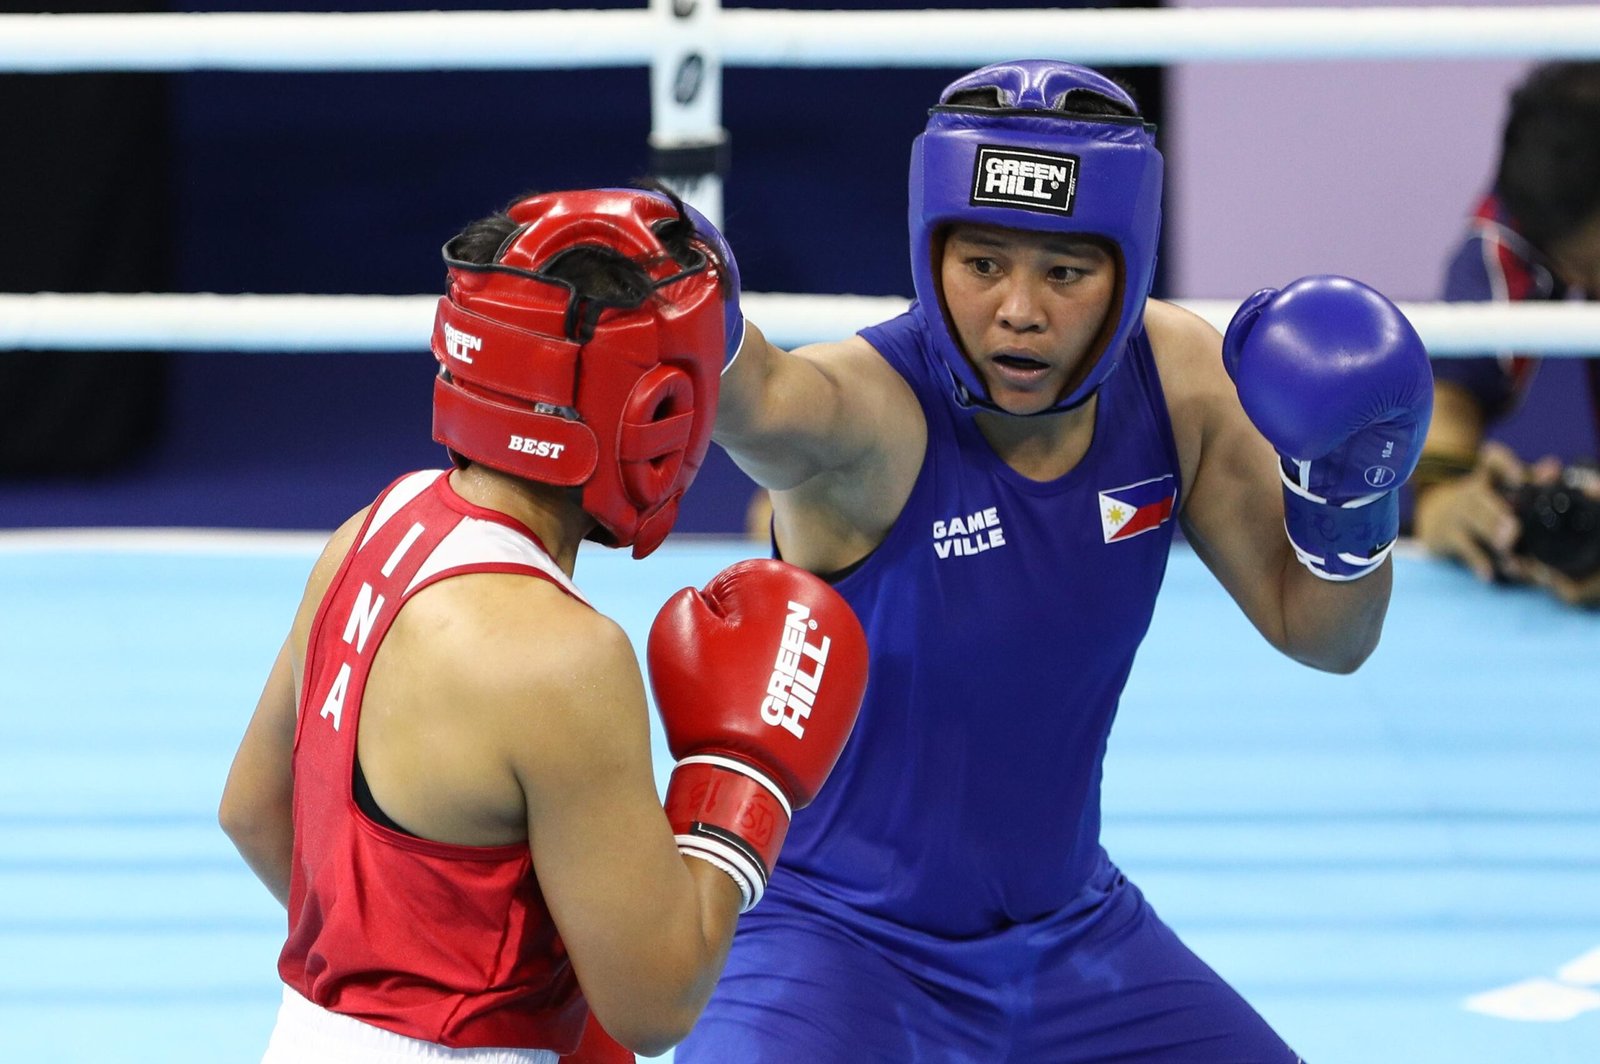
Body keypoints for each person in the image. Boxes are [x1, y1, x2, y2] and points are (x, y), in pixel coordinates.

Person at [673, 60, 1434, 1060]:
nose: (1019, 309)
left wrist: (1352, 493)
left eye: (1064, 274)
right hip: (833, 939)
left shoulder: (1181, 381)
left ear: (1127, 269)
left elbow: (1325, 635)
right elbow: (766, 403)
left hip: (1074, 937)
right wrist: (691, 308)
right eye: (981, 264)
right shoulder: (873, 409)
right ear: (930, 252)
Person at [217, 188, 869, 1063]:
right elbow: (657, 1002)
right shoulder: (563, 660)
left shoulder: (376, 527)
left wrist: (419, 972)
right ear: (652, 406)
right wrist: (739, 779)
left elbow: (254, 812)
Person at [1413, 61, 1600, 606]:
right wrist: (1451, 500)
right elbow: (1449, 405)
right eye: (1574, 269)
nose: (1583, 285)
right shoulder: (1530, 210)